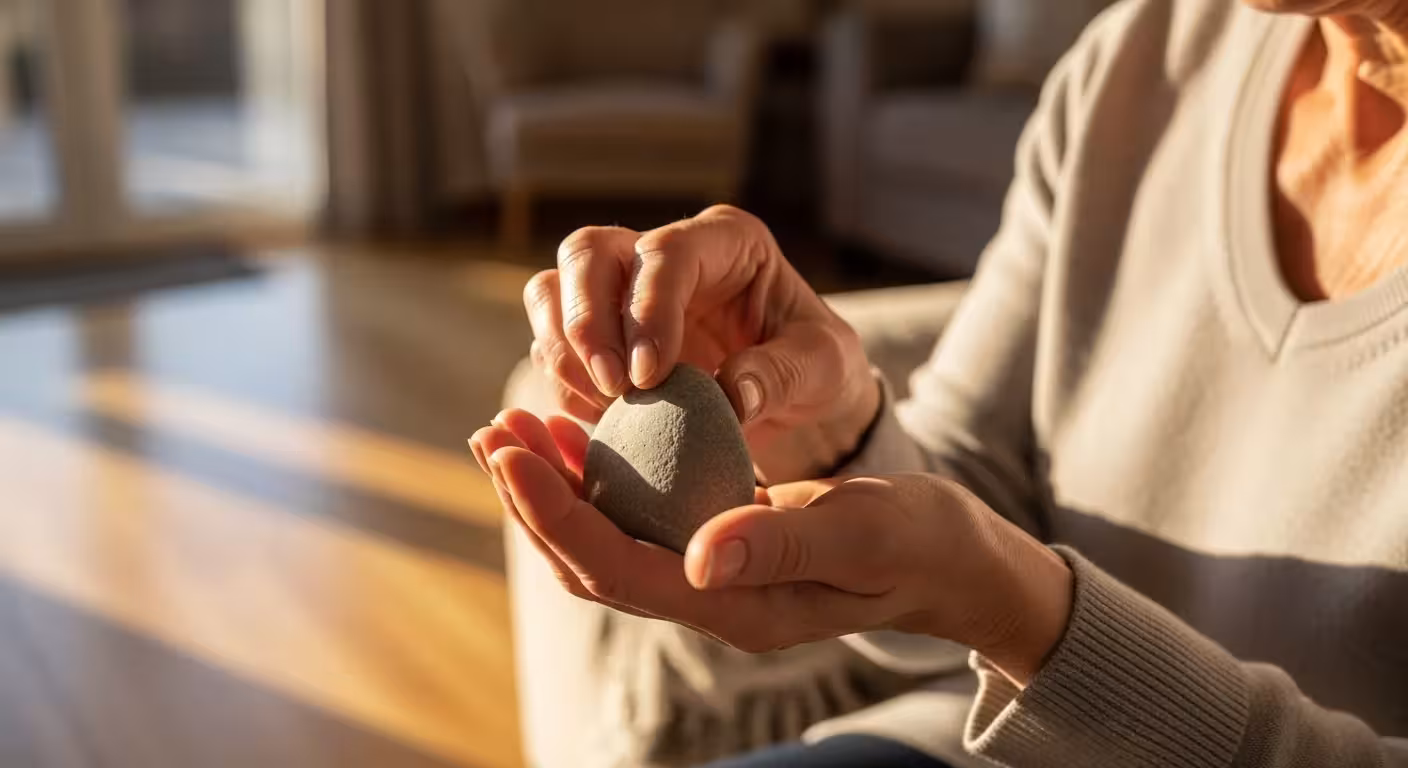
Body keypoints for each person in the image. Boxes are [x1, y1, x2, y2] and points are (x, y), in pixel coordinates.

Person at [470, 0, 1408, 764]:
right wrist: (827, 430)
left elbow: (997, 579)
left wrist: (1023, 612)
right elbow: (969, 500)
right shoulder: (1143, 60)